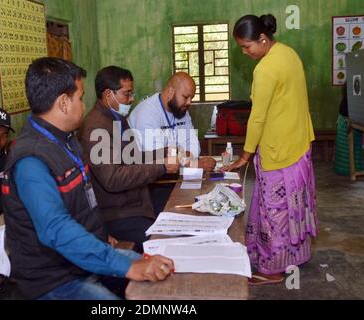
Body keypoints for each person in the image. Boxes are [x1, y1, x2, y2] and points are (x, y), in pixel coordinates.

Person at [2, 57, 174, 300]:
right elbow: (56, 229)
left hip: (81, 260)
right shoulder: (31, 159)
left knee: (163, 270)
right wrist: (128, 267)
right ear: (63, 103)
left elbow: (82, 199)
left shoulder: (66, 140)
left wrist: (98, 233)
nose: (84, 106)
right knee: (139, 276)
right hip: (54, 279)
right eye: (80, 98)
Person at [224, 14, 318, 285]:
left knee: (273, 210)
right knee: (293, 204)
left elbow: (258, 117)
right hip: (298, 143)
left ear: (263, 39)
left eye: (246, 46)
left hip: (279, 150)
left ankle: (272, 268)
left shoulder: (265, 69)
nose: (245, 52)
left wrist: (245, 154)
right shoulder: (289, 54)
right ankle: (294, 256)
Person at [79, 66, 179, 252]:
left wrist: (163, 152)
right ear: (109, 95)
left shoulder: (117, 119)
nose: (131, 99)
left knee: (177, 213)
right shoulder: (95, 128)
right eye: (127, 94)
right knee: (166, 242)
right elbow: (113, 179)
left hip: (136, 202)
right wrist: (161, 166)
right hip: (117, 214)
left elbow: (133, 157)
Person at [128, 72, 216, 214]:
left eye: (191, 98)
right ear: (170, 92)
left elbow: (193, 143)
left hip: (175, 176)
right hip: (151, 185)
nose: (189, 103)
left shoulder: (181, 110)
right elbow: (157, 157)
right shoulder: (146, 113)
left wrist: (186, 158)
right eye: (186, 97)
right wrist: (192, 163)